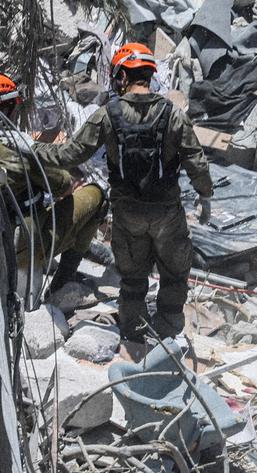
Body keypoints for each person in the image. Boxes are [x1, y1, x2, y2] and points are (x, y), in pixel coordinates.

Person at [36, 44, 212, 343]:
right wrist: (205, 196)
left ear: (122, 76)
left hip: (127, 214)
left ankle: (133, 334)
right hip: (167, 213)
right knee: (174, 274)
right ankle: (168, 332)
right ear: (149, 75)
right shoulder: (172, 114)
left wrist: (32, 148)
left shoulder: (107, 115)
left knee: (132, 279)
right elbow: (196, 161)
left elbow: (70, 154)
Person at [0, 72, 106, 297]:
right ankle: (60, 288)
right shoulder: (18, 151)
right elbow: (63, 184)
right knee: (96, 196)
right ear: (8, 109)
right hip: (21, 246)